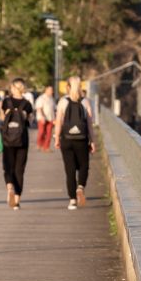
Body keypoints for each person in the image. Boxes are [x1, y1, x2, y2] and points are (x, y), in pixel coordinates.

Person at [53, 76, 97, 210]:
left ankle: (72, 200)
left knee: (70, 169)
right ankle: (80, 187)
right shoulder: (85, 102)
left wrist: (56, 139)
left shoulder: (62, 102)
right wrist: (93, 141)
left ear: (67, 87)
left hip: (66, 139)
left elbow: (59, 122)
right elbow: (90, 124)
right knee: (84, 165)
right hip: (82, 139)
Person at [0, 79, 33, 210]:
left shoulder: (6, 102)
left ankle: (10, 187)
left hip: (7, 139)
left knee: (8, 167)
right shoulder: (27, 104)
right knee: (20, 169)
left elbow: (2, 119)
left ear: (14, 88)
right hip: (22, 140)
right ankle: (17, 200)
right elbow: (30, 121)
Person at [34, 84, 57, 152]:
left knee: (49, 133)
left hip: (50, 118)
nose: (51, 91)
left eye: (52, 90)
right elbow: (39, 108)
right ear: (46, 90)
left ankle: (46, 147)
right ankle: (39, 144)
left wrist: (55, 118)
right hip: (42, 118)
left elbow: (54, 109)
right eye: (50, 90)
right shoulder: (41, 98)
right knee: (41, 132)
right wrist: (42, 117)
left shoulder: (52, 99)